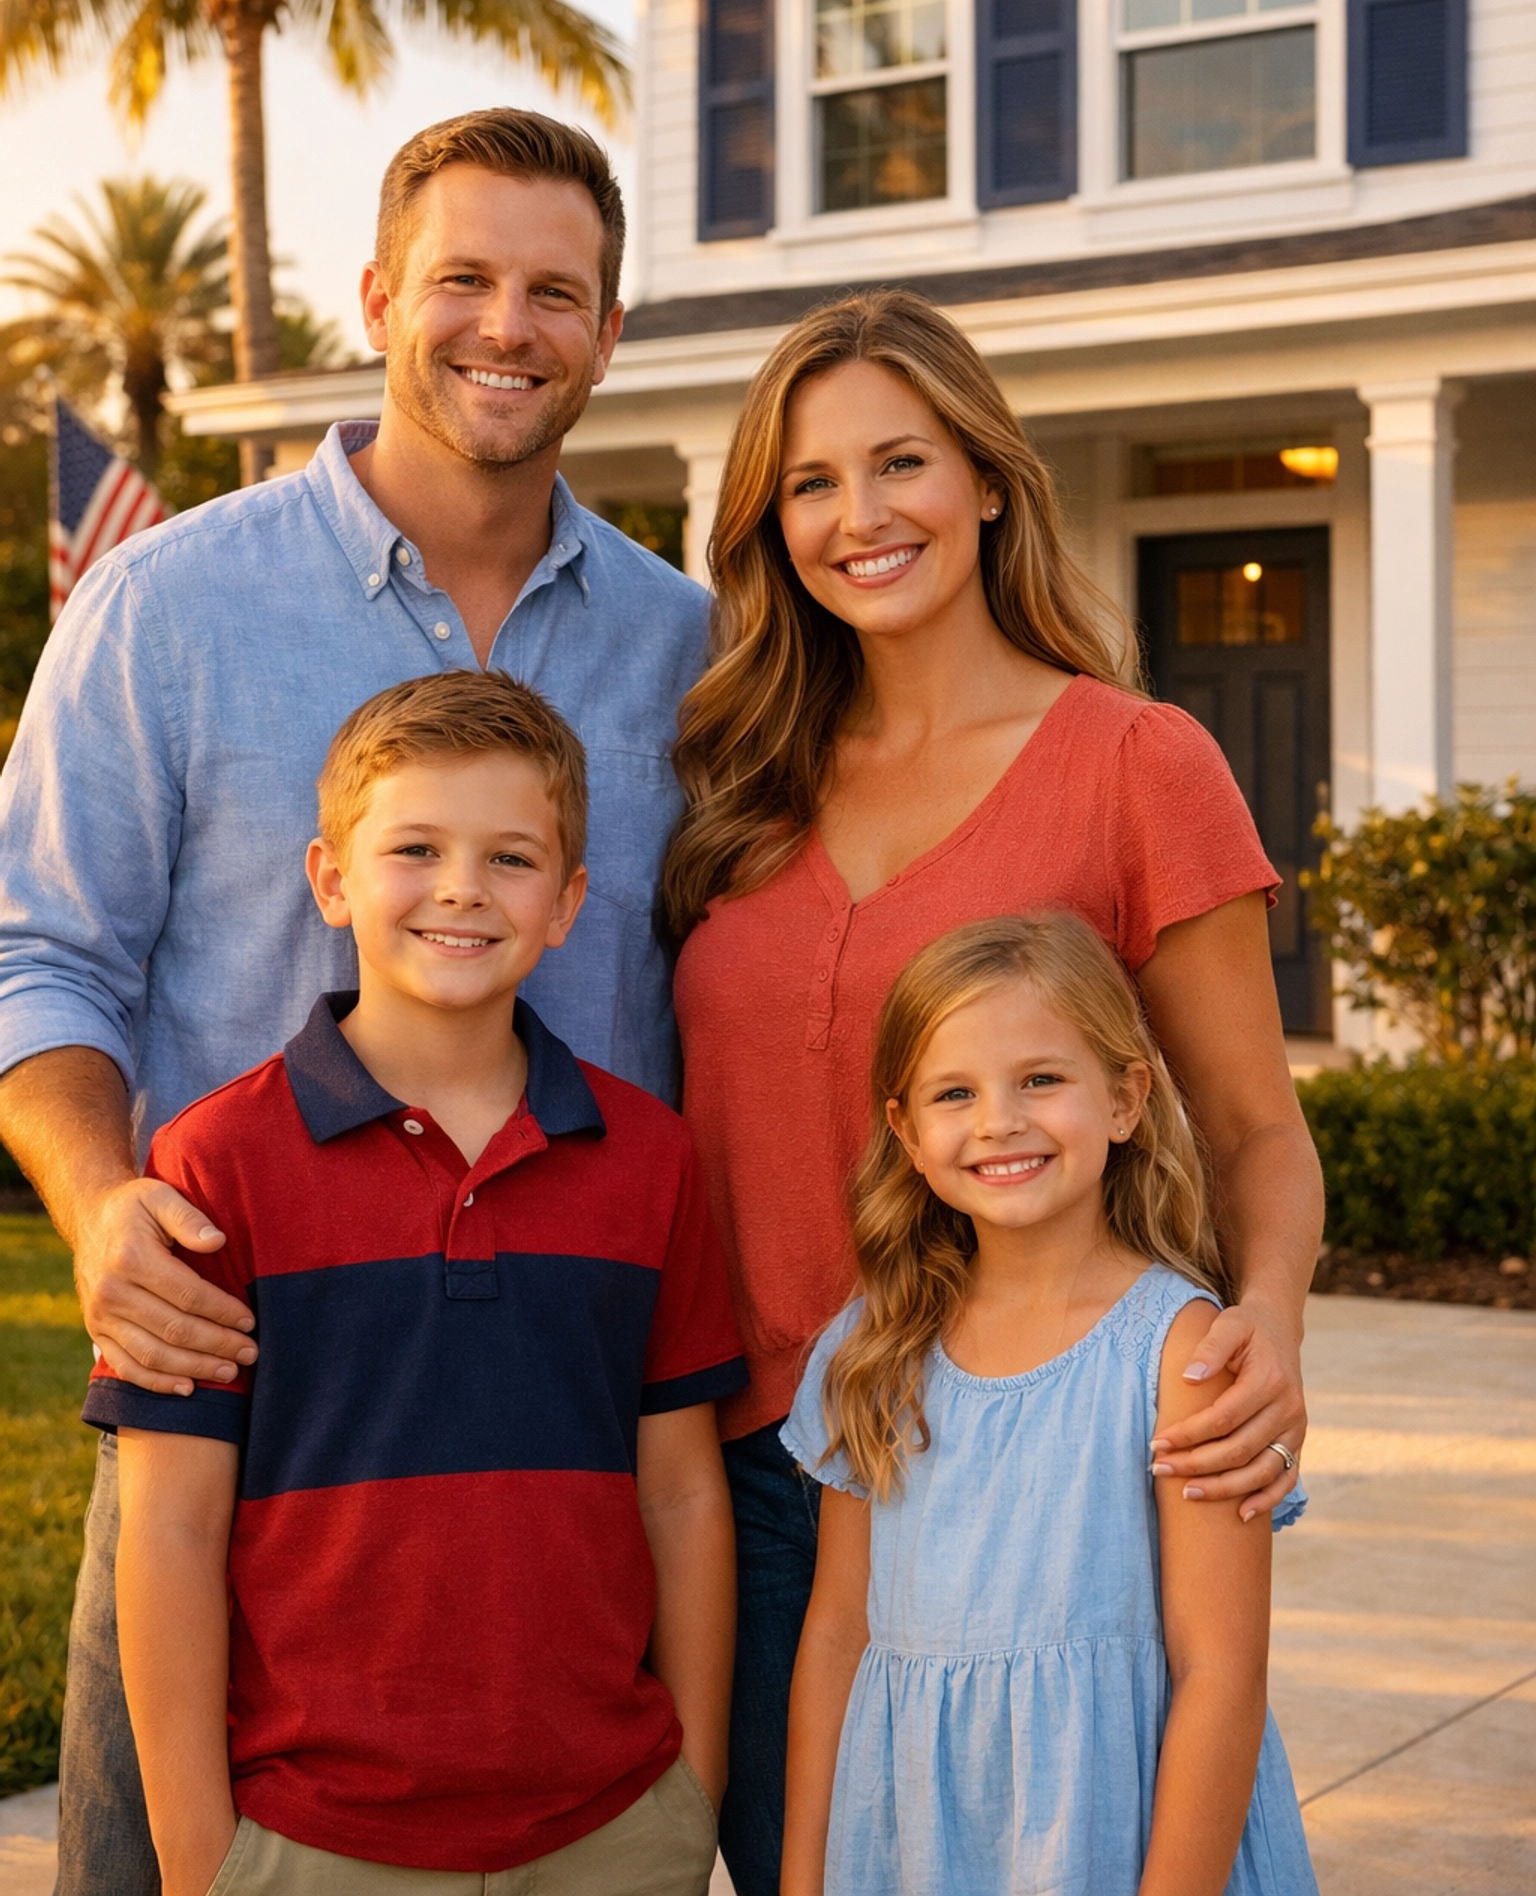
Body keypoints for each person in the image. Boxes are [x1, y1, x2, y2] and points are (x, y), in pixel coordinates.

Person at [0, 111, 708, 1896]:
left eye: (559, 289)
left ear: (608, 332)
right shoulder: (169, 602)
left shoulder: (688, 645)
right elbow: (36, 944)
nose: (508, 323)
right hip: (235, 1404)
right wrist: (100, 1209)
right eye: (464, 275)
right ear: (381, 294)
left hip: (574, 1421)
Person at [661, 288, 1324, 1896]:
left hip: (1025, 1466)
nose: (860, 516)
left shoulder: (1132, 759)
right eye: (810, 483)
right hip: (740, 1465)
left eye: (902, 463)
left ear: (987, 479)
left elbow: (1252, 1125)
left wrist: (1271, 1331)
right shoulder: (737, 773)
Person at [89, 670, 742, 1896]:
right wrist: (194, 1851)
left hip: (610, 1829)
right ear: (331, 878)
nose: (461, 889)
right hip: (311, 1838)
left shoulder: (651, 1160)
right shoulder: (215, 1165)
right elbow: (171, 1526)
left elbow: (684, 1497)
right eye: (416, 849)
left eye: (510, 858)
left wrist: (688, 1793)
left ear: (568, 903)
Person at [781, 913, 1317, 1896]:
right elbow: (836, 1637)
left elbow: (1221, 1676)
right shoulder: (870, 1353)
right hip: (912, 1850)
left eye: (1041, 1079)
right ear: (905, 1129)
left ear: (1124, 1098)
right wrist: (804, 1880)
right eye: (955, 1092)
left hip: (1126, 1849)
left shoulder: (1182, 1357)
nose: (999, 1121)